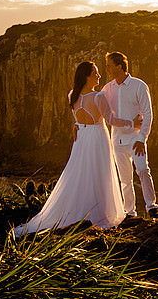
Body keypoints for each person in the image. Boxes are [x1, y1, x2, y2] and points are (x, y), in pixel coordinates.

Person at [12, 61, 140, 238]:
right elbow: (111, 120)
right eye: (95, 73)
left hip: (81, 138)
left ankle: (80, 211)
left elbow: (78, 118)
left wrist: (76, 125)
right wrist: (132, 123)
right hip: (97, 138)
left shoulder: (72, 94)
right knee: (100, 174)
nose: (99, 76)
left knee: (80, 173)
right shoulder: (98, 97)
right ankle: (99, 214)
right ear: (86, 76)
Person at [101, 51, 158, 220]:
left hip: (136, 139)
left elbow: (148, 115)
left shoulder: (139, 86)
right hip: (117, 140)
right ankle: (130, 213)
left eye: (109, 65)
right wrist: (79, 124)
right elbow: (102, 112)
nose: (106, 69)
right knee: (125, 179)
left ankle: (152, 207)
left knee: (143, 169)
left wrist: (142, 138)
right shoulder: (107, 89)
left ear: (119, 67)